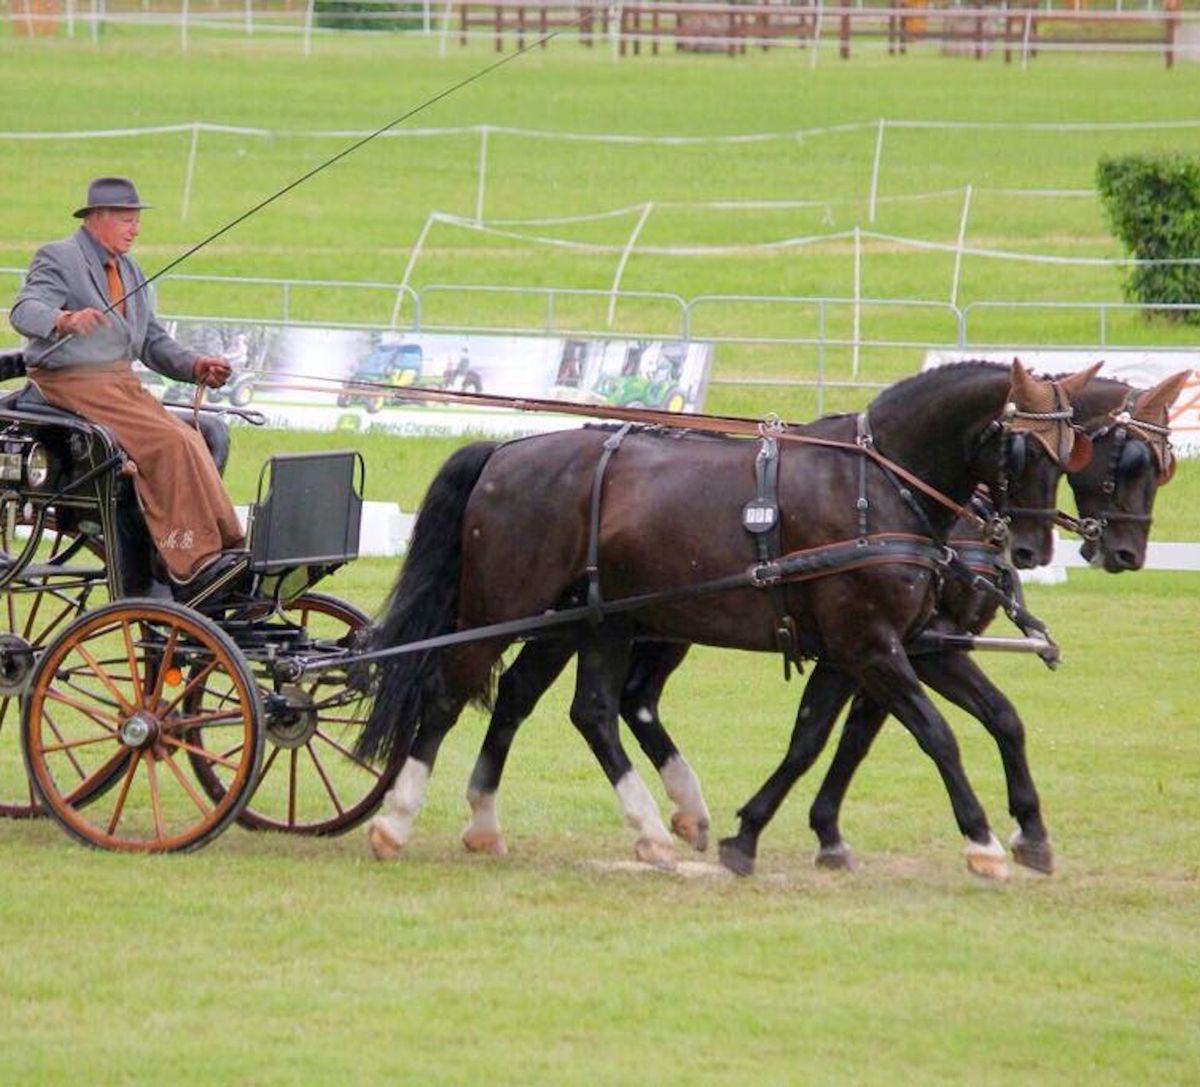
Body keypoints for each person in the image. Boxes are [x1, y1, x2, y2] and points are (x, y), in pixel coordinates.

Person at [8, 176, 247, 602]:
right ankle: (191, 561)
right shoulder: (60, 257)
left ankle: (224, 545)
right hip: (71, 385)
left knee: (195, 438)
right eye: (126, 219)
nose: (135, 229)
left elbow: (152, 341)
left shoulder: (130, 270)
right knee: (171, 443)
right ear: (97, 218)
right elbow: (25, 310)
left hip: (118, 385)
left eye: (136, 220)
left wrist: (195, 366)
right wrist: (63, 320)